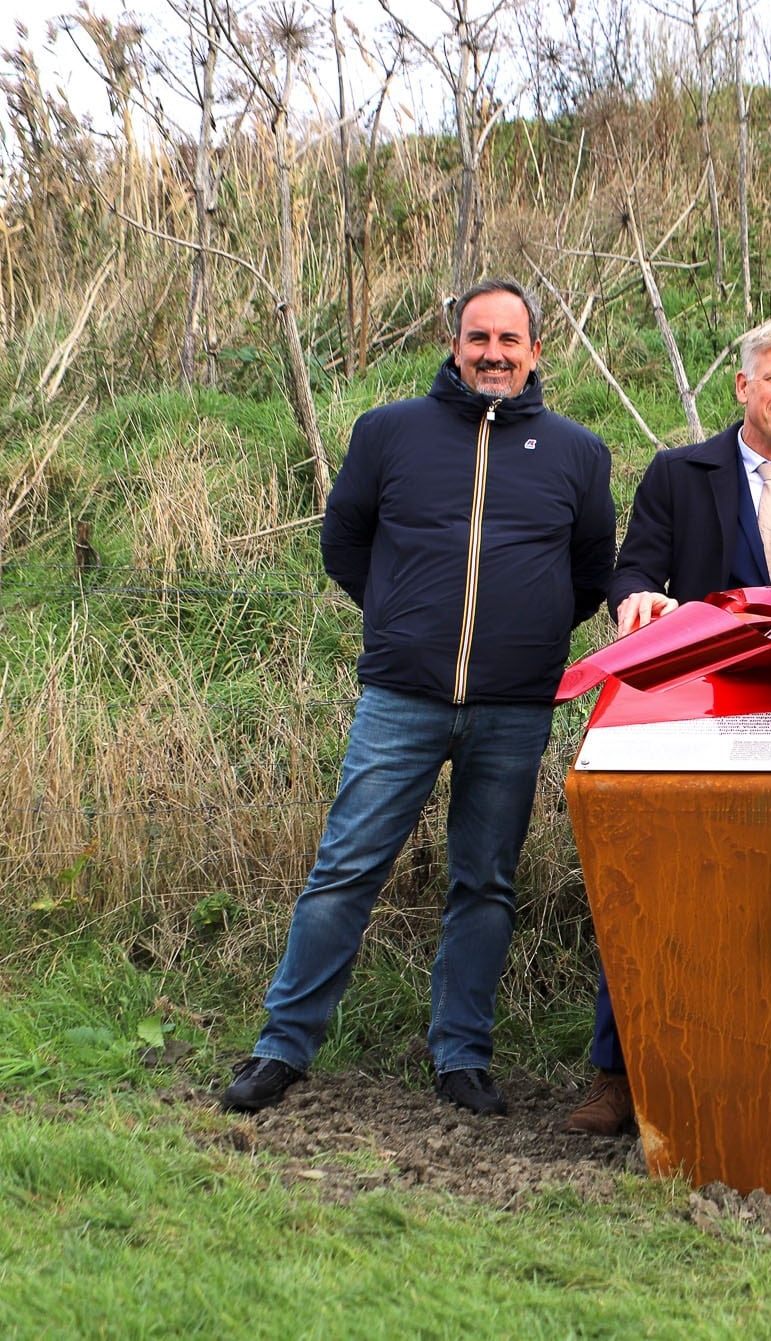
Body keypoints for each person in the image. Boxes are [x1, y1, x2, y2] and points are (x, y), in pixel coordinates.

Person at [221, 279, 616, 1118]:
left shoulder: (579, 453)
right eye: (479, 338)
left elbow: (587, 574)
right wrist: (404, 617)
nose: (494, 354)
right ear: (455, 344)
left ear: (536, 353)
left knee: (485, 882)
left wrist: (525, 635)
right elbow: (345, 544)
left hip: (514, 708)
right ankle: (282, 1046)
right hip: (402, 698)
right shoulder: (389, 433)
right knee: (345, 869)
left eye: (510, 341)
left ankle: (462, 1055)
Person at [567, 314, 771, 1136]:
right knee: (659, 872)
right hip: (699, 705)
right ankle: (618, 1071)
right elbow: (634, 566)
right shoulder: (677, 473)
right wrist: (637, 597)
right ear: (743, 386)